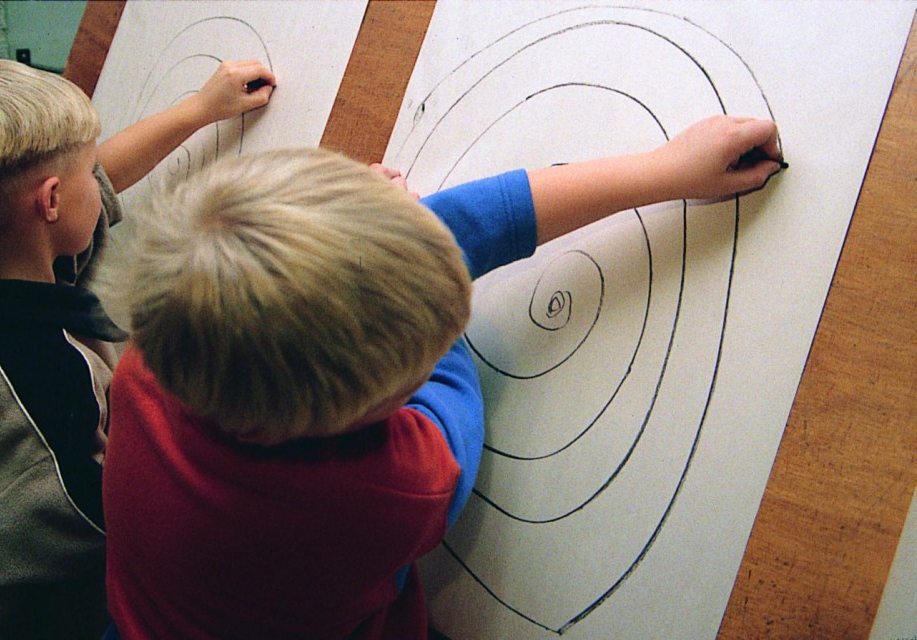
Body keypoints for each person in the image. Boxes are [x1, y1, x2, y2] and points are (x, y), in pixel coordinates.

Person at [97, 115, 783, 639]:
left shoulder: (157, 354)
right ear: (375, 408)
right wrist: (428, 301)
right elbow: (449, 392)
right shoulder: (393, 491)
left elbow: (408, 263)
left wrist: (664, 170)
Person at [0, 57, 275, 640]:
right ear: (50, 202)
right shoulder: (34, 381)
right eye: (86, 172)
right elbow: (43, 537)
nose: (99, 183)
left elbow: (96, 177)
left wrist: (201, 109)